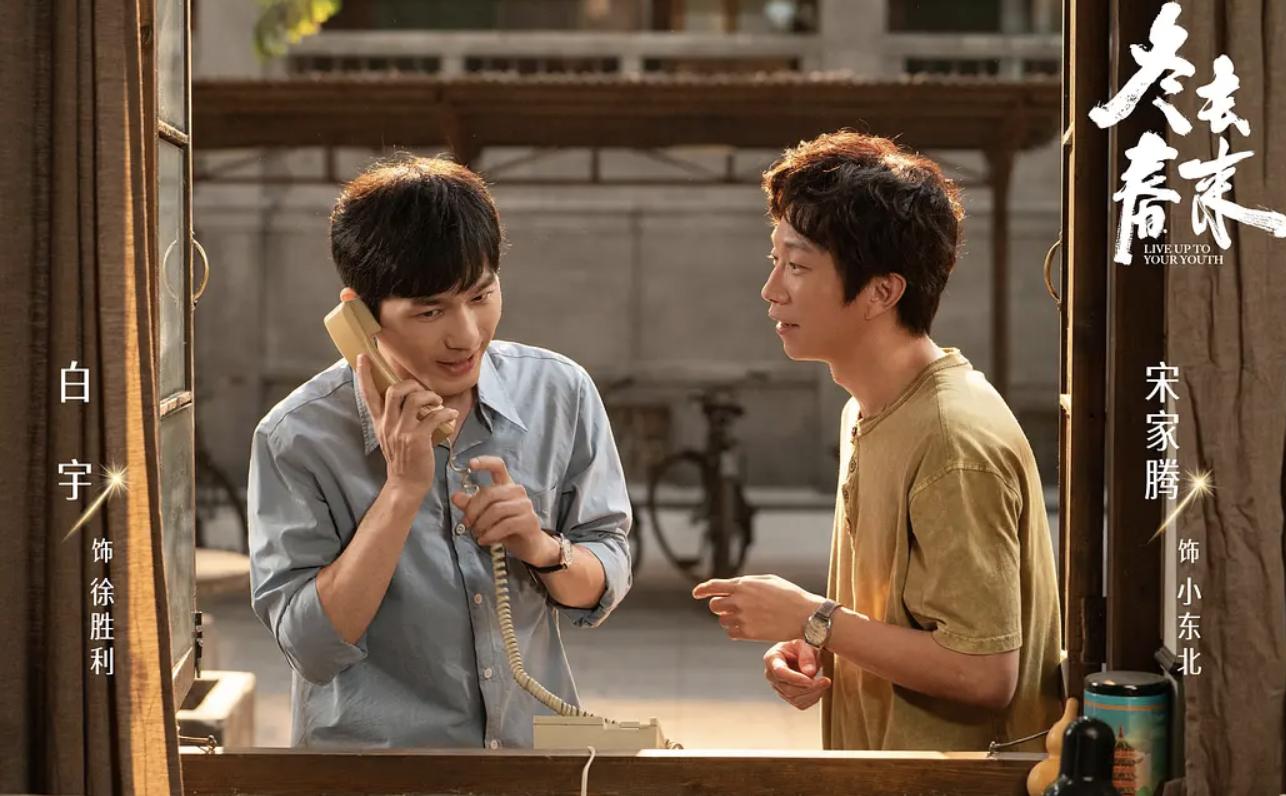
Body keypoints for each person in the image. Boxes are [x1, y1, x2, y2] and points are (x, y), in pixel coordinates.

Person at [692, 131, 1062, 751]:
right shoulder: (868, 407)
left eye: (798, 266)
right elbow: (897, 624)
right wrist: (817, 643)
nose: (772, 289)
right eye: (774, 259)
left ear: (882, 292)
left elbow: (983, 673)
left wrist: (813, 617)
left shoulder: (952, 438)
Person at [247, 155, 632, 749]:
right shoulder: (296, 436)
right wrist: (401, 492)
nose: (467, 335)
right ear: (359, 314)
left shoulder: (560, 392)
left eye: (481, 296)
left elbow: (607, 568)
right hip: (374, 775)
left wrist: (541, 548)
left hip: (533, 763)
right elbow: (311, 646)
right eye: (430, 311)